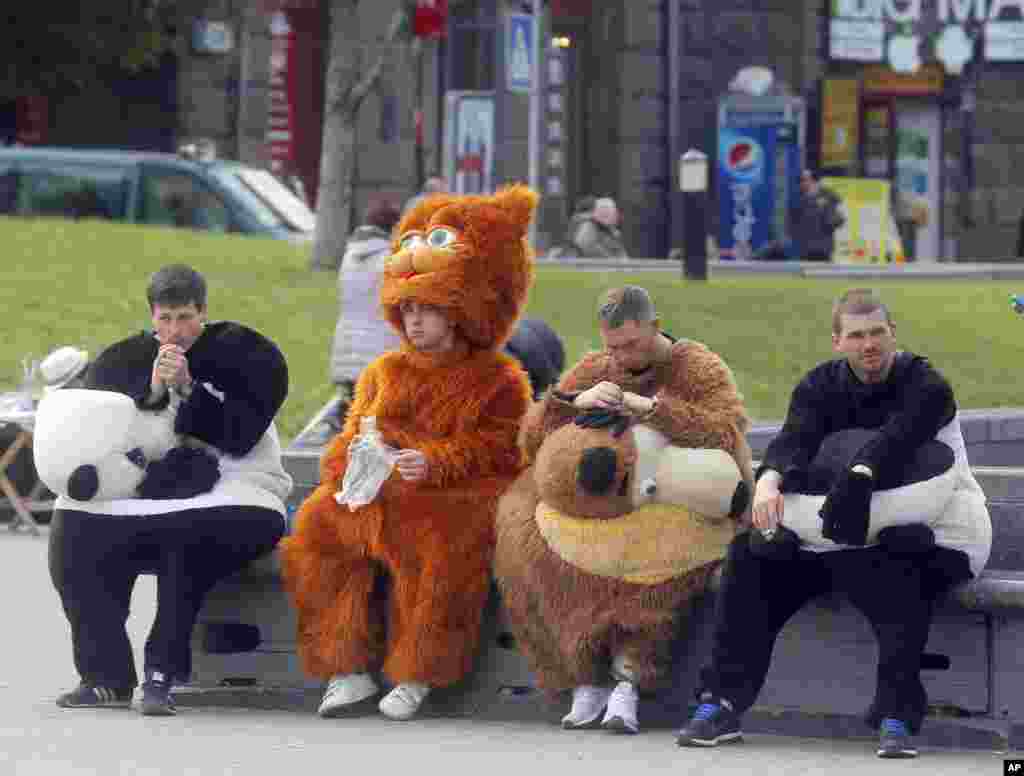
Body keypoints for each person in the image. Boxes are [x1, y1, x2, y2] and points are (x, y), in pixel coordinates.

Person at [676, 288, 992, 759]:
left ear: (893, 335)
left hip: (936, 530)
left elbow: (895, 442)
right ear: (837, 342)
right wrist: (768, 485)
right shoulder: (820, 386)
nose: (870, 345)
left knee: (900, 557)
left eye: (878, 333)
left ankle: (897, 715)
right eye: (858, 335)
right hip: (831, 537)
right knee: (750, 557)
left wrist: (859, 476)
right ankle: (720, 702)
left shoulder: (926, 385)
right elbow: (794, 440)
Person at [279, 184, 537, 722]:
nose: (415, 321)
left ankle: (419, 670)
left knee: (440, 544)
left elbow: (504, 448)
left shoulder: (500, 379)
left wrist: (436, 460)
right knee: (320, 525)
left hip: (455, 496)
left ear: (462, 311)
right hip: (381, 491)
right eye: (408, 309)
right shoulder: (383, 371)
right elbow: (349, 432)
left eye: (430, 309)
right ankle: (344, 668)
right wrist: (349, 462)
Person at [48, 263, 292, 716]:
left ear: (203, 313)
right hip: (157, 492)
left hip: (240, 489)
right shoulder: (125, 359)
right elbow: (108, 439)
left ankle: (163, 671)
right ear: (151, 317)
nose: (175, 331)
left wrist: (189, 387)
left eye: (185, 318)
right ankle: (105, 675)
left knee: (186, 539)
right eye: (165, 319)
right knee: (74, 533)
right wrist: (155, 389)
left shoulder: (247, 353)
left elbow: (239, 436)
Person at [518, 285, 753, 732]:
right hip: (608, 509)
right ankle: (586, 676)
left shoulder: (695, 365)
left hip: (675, 506)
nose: (623, 356)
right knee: (549, 543)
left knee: (659, 559)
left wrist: (649, 409)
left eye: (632, 344)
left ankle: (629, 677)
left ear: (655, 327)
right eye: (613, 346)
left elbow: (726, 431)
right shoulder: (596, 368)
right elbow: (531, 438)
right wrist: (571, 403)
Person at [304, 199, 404, 445]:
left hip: (346, 349)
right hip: (378, 349)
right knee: (378, 423)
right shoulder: (388, 260)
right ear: (393, 228)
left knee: (356, 414)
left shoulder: (350, 256)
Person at [793, 169, 844, 262]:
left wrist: (830, 212)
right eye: (799, 181)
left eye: (803, 180)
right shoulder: (800, 198)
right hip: (806, 248)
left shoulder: (827, 194)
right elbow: (794, 221)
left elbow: (839, 217)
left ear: (813, 180)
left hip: (823, 247)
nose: (801, 183)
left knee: (823, 273)